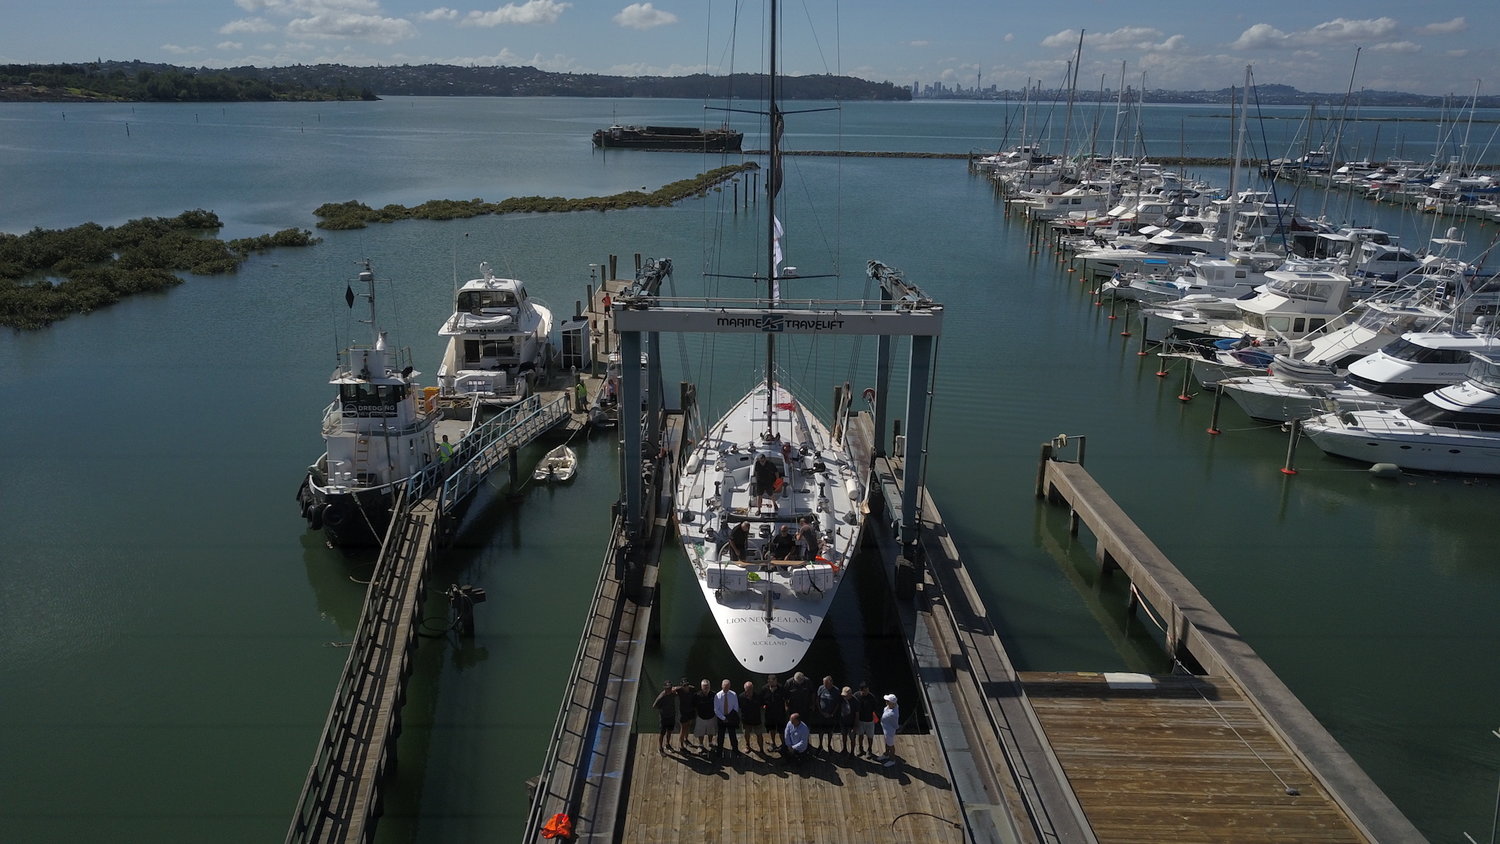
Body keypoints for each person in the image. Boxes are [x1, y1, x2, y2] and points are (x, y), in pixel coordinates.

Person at [759, 674, 788, 752]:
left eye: (773, 680)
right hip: (769, 713)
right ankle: (773, 743)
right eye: (770, 681)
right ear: (768, 681)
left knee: (781, 730)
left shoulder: (781, 688)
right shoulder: (764, 689)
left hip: (780, 713)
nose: (771, 682)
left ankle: (784, 745)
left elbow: (786, 698)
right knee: (771, 729)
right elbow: (761, 700)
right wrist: (763, 705)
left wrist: (786, 706)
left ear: (776, 680)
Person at [713, 679, 741, 757]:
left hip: (731, 717)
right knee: (720, 736)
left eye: (727, 687)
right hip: (721, 718)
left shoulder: (733, 694)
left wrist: (730, 717)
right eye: (724, 687)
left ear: (729, 686)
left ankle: (735, 749)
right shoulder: (717, 696)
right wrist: (723, 718)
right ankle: (719, 751)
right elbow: (716, 709)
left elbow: (736, 707)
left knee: (733, 735)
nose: (726, 688)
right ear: (722, 686)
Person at [854, 682, 880, 757]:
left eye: (868, 690)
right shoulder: (856, 695)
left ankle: (869, 749)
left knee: (870, 736)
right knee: (860, 735)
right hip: (860, 720)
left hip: (870, 720)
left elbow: (875, 708)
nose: (867, 692)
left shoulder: (871, 697)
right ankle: (860, 749)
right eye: (865, 690)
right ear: (861, 690)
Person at [814, 675, 839, 750]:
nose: (825, 685)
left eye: (826, 684)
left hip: (831, 716)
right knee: (820, 731)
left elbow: (837, 704)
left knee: (830, 731)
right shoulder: (821, 688)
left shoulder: (836, 690)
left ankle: (829, 745)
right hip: (822, 715)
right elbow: (817, 700)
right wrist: (821, 711)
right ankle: (820, 745)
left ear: (831, 683)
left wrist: (832, 714)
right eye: (824, 683)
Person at [652, 681, 677, 754]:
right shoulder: (662, 696)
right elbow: (654, 706)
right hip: (664, 718)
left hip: (672, 716)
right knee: (662, 733)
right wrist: (662, 709)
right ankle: (660, 747)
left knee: (669, 731)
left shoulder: (673, 693)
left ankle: (667, 744)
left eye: (670, 688)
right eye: (668, 688)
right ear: (665, 689)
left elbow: (677, 688)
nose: (669, 689)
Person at [740, 681, 763, 753]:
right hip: (746, 720)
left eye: (750, 689)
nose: (749, 691)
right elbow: (739, 707)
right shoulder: (741, 697)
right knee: (746, 733)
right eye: (747, 689)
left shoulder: (758, 696)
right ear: (745, 689)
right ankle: (747, 745)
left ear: (752, 688)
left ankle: (761, 749)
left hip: (756, 719)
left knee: (759, 734)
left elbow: (762, 705)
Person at [693, 680, 717, 750]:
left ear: (710, 687)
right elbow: (693, 705)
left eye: (707, 687)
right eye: (704, 687)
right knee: (701, 732)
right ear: (701, 687)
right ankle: (701, 744)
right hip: (701, 717)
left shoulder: (714, 695)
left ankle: (710, 742)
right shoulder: (697, 695)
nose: (706, 688)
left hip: (711, 717)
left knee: (711, 731)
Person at [675, 677, 697, 750]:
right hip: (683, 713)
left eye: (687, 685)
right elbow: (672, 689)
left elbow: (694, 689)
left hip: (690, 711)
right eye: (684, 685)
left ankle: (686, 739)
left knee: (688, 726)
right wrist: (680, 687)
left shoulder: (692, 689)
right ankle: (681, 745)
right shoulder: (679, 691)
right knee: (683, 728)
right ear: (681, 686)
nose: (686, 687)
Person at [879, 693, 900, 767]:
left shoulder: (894, 714)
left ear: (892, 703)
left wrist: (897, 729)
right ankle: (886, 754)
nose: (886, 702)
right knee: (886, 742)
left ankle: (892, 760)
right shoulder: (890, 707)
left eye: (888, 701)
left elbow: (895, 724)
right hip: (885, 728)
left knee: (890, 745)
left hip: (889, 731)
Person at [837, 686, 858, 754]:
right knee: (844, 736)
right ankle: (844, 748)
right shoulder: (841, 699)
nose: (844, 697)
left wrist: (855, 726)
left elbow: (857, 715)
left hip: (851, 723)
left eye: (845, 695)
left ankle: (852, 752)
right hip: (843, 722)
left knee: (852, 738)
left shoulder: (855, 701)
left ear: (850, 694)